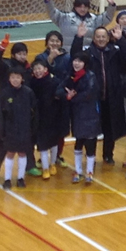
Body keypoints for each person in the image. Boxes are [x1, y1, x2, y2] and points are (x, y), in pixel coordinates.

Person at [71, 23, 126, 165]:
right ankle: (90, 155)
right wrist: (79, 37)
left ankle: (108, 155)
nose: (101, 39)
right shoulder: (88, 53)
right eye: (98, 37)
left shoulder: (115, 51)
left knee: (110, 130)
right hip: (93, 100)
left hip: (112, 98)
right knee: (91, 130)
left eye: (103, 36)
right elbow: (75, 57)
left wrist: (121, 39)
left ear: (108, 38)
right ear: (93, 38)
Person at [0, 34, 41, 181]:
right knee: (1, 141)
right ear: (13, 54)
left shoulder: (28, 70)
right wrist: (1, 47)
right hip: (6, 111)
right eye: (19, 53)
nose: (22, 56)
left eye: (24, 53)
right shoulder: (5, 67)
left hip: (23, 112)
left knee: (26, 141)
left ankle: (30, 166)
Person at [57, 52, 100, 185]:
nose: (76, 63)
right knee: (78, 142)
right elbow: (59, 90)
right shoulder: (70, 76)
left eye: (80, 61)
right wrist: (67, 96)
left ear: (85, 63)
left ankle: (89, 172)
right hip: (76, 114)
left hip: (89, 114)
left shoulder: (90, 76)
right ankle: (78, 171)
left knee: (90, 143)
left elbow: (89, 94)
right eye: (75, 60)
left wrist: (73, 98)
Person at [0, 66, 37, 190]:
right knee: (10, 153)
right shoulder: (5, 93)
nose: (15, 80)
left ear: (22, 79)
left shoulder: (28, 93)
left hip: (25, 129)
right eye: (12, 77)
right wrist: (1, 130)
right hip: (10, 130)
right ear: (9, 79)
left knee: (23, 153)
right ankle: (7, 179)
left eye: (17, 77)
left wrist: (33, 129)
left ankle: (20, 178)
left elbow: (34, 112)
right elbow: (0, 114)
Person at [34, 30, 71, 167]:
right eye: (51, 40)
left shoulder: (67, 57)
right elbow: (38, 75)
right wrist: (49, 59)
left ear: (61, 43)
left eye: (57, 41)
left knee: (60, 129)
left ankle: (57, 156)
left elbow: (68, 76)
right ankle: (42, 157)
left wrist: (61, 91)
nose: (54, 43)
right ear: (46, 42)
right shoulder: (40, 57)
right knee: (44, 129)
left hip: (61, 99)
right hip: (44, 100)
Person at [44, 0, 116, 49]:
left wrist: (111, 5)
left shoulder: (94, 19)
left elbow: (107, 17)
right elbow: (52, 13)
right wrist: (48, 1)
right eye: (80, 7)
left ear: (88, 8)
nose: (82, 9)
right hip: (68, 53)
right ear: (75, 7)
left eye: (85, 7)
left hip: (87, 54)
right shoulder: (65, 18)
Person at [29, 59, 62, 180]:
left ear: (45, 69)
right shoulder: (31, 83)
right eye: (35, 69)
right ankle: (45, 168)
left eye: (39, 68)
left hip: (53, 117)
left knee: (54, 143)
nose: (37, 71)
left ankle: (52, 164)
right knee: (42, 144)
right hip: (39, 119)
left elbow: (60, 98)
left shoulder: (54, 82)